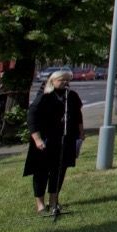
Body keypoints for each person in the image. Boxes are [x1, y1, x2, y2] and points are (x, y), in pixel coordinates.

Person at [23, 69, 83, 214]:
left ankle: (54, 201)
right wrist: (37, 139)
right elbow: (32, 117)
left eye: (67, 80)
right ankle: (40, 204)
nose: (65, 82)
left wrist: (81, 132)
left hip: (64, 139)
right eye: (62, 80)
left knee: (59, 171)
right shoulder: (45, 96)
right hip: (45, 140)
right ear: (52, 81)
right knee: (41, 172)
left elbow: (77, 115)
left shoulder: (71, 96)